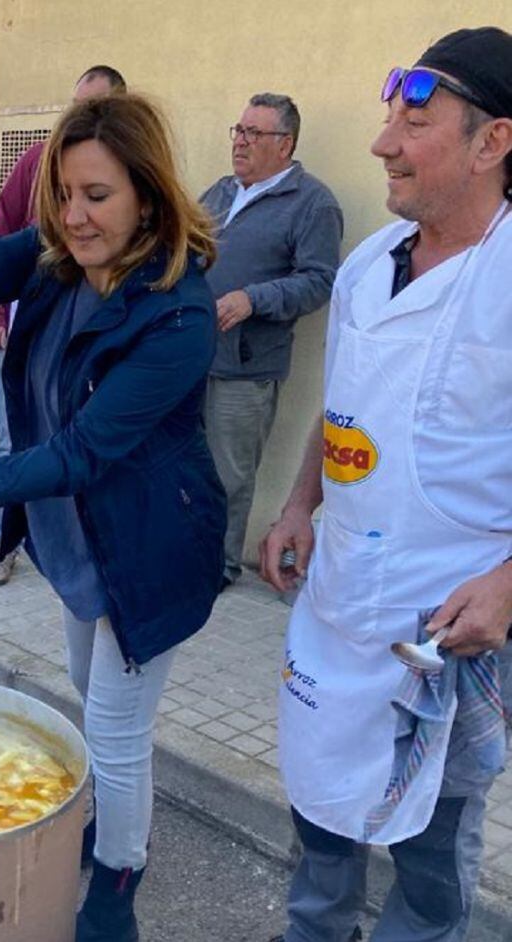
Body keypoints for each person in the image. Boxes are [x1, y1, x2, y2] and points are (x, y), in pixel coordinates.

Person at [0, 92, 226, 942]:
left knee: (116, 727)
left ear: (147, 194)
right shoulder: (59, 255)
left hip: (147, 547)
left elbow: (80, 453)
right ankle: (106, 817)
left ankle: (116, 887)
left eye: (97, 195)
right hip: (71, 533)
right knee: (93, 694)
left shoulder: (178, 313)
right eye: (62, 194)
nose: (74, 216)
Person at [259, 26, 512, 942]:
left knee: (429, 874)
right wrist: (299, 502)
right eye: (387, 117)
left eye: (416, 120)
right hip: (334, 613)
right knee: (321, 834)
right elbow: (341, 416)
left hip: (446, 638)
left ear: (494, 142)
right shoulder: (371, 263)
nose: (382, 143)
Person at [0, 64, 127, 587]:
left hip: (89, 339)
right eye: (75, 107)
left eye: (95, 109)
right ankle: (4, 540)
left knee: (77, 445)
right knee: (15, 439)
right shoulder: (36, 162)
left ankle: (75, 546)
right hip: (27, 333)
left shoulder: (132, 177)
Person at [199, 94, 342, 591]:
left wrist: (253, 299)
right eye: (238, 130)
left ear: (286, 144)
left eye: (254, 133)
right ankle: (180, 553)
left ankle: (216, 566)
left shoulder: (312, 203)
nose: (240, 141)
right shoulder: (218, 193)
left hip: (246, 364)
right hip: (193, 355)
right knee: (184, 463)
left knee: (229, 473)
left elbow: (322, 280)